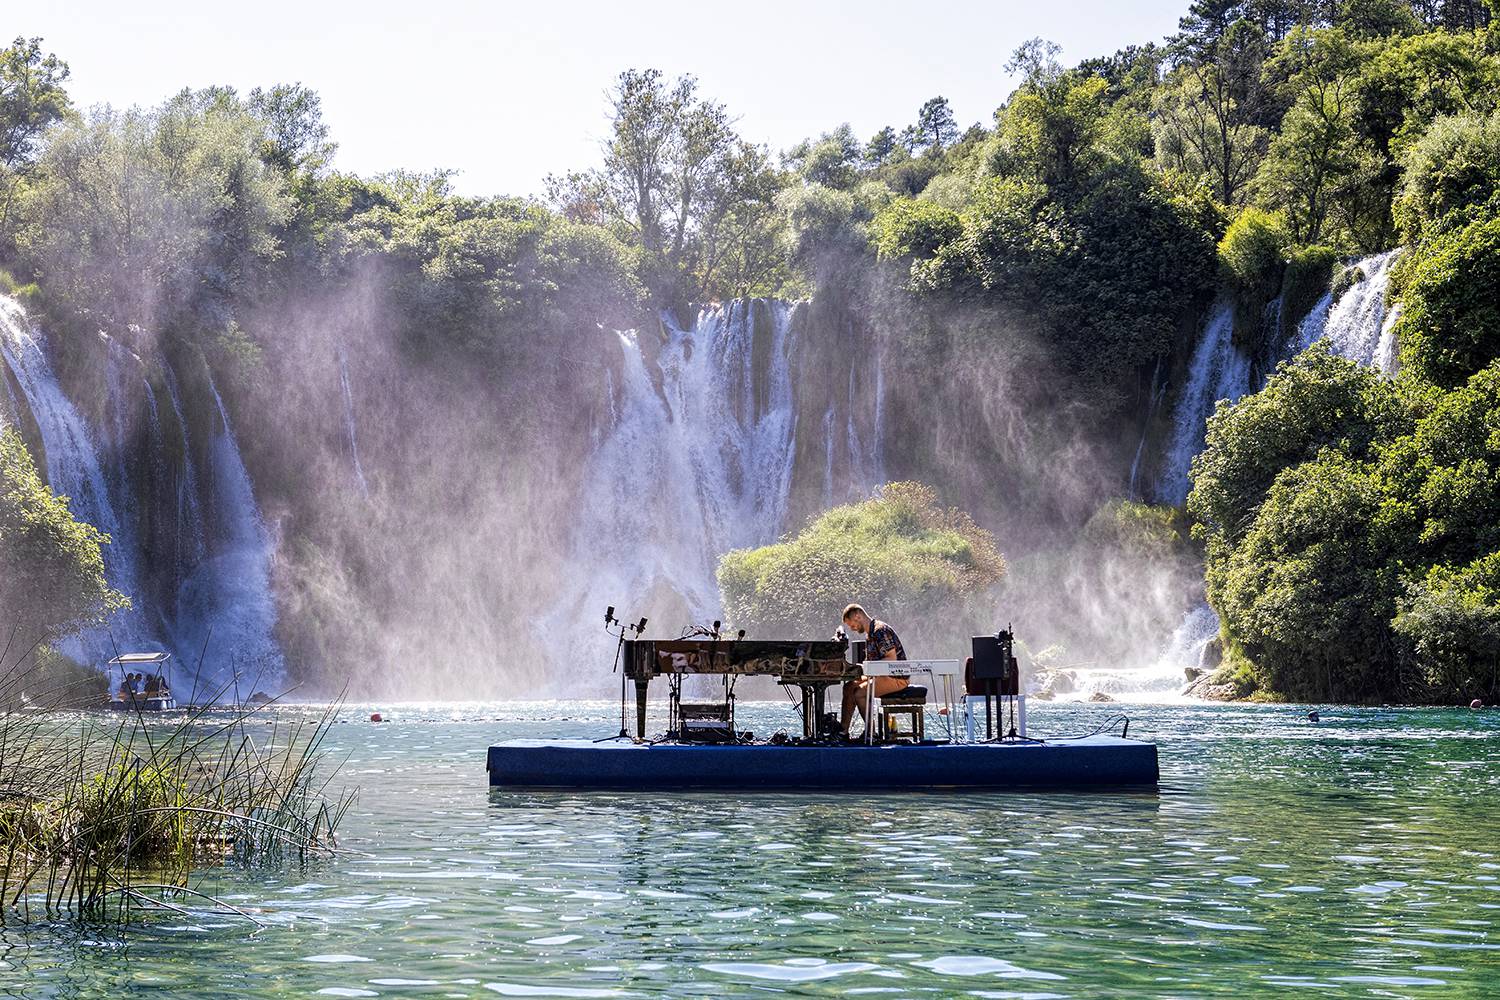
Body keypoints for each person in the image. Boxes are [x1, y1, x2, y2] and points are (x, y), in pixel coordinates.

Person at [839, 603, 908, 738]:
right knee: (848, 687)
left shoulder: (880, 630)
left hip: (896, 678)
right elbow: (870, 665)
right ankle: (843, 732)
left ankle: (871, 733)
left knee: (859, 693)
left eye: (851, 624)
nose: (852, 628)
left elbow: (891, 659)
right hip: (880, 676)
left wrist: (865, 667)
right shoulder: (869, 634)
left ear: (858, 616)